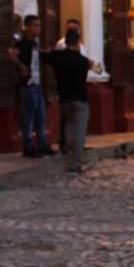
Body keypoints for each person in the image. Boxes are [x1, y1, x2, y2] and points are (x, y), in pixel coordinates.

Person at [45, 28, 92, 174]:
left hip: (65, 99)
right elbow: (94, 68)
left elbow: (43, 56)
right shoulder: (83, 61)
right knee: (79, 132)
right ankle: (75, 163)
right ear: (78, 42)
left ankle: (67, 154)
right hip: (80, 99)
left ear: (65, 42)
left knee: (69, 128)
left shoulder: (58, 57)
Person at [11, 14, 55, 158]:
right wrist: (21, 66)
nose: (39, 29)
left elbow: (38, 56)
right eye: (36, 26)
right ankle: (28, 146)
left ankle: (42, 145)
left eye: (39, 25)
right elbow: (11, 54)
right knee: (29, 118)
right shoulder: (22, 44)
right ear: (27, 27)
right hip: (28, 85)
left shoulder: (34, 44)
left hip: (37, 84)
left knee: (41, 117)